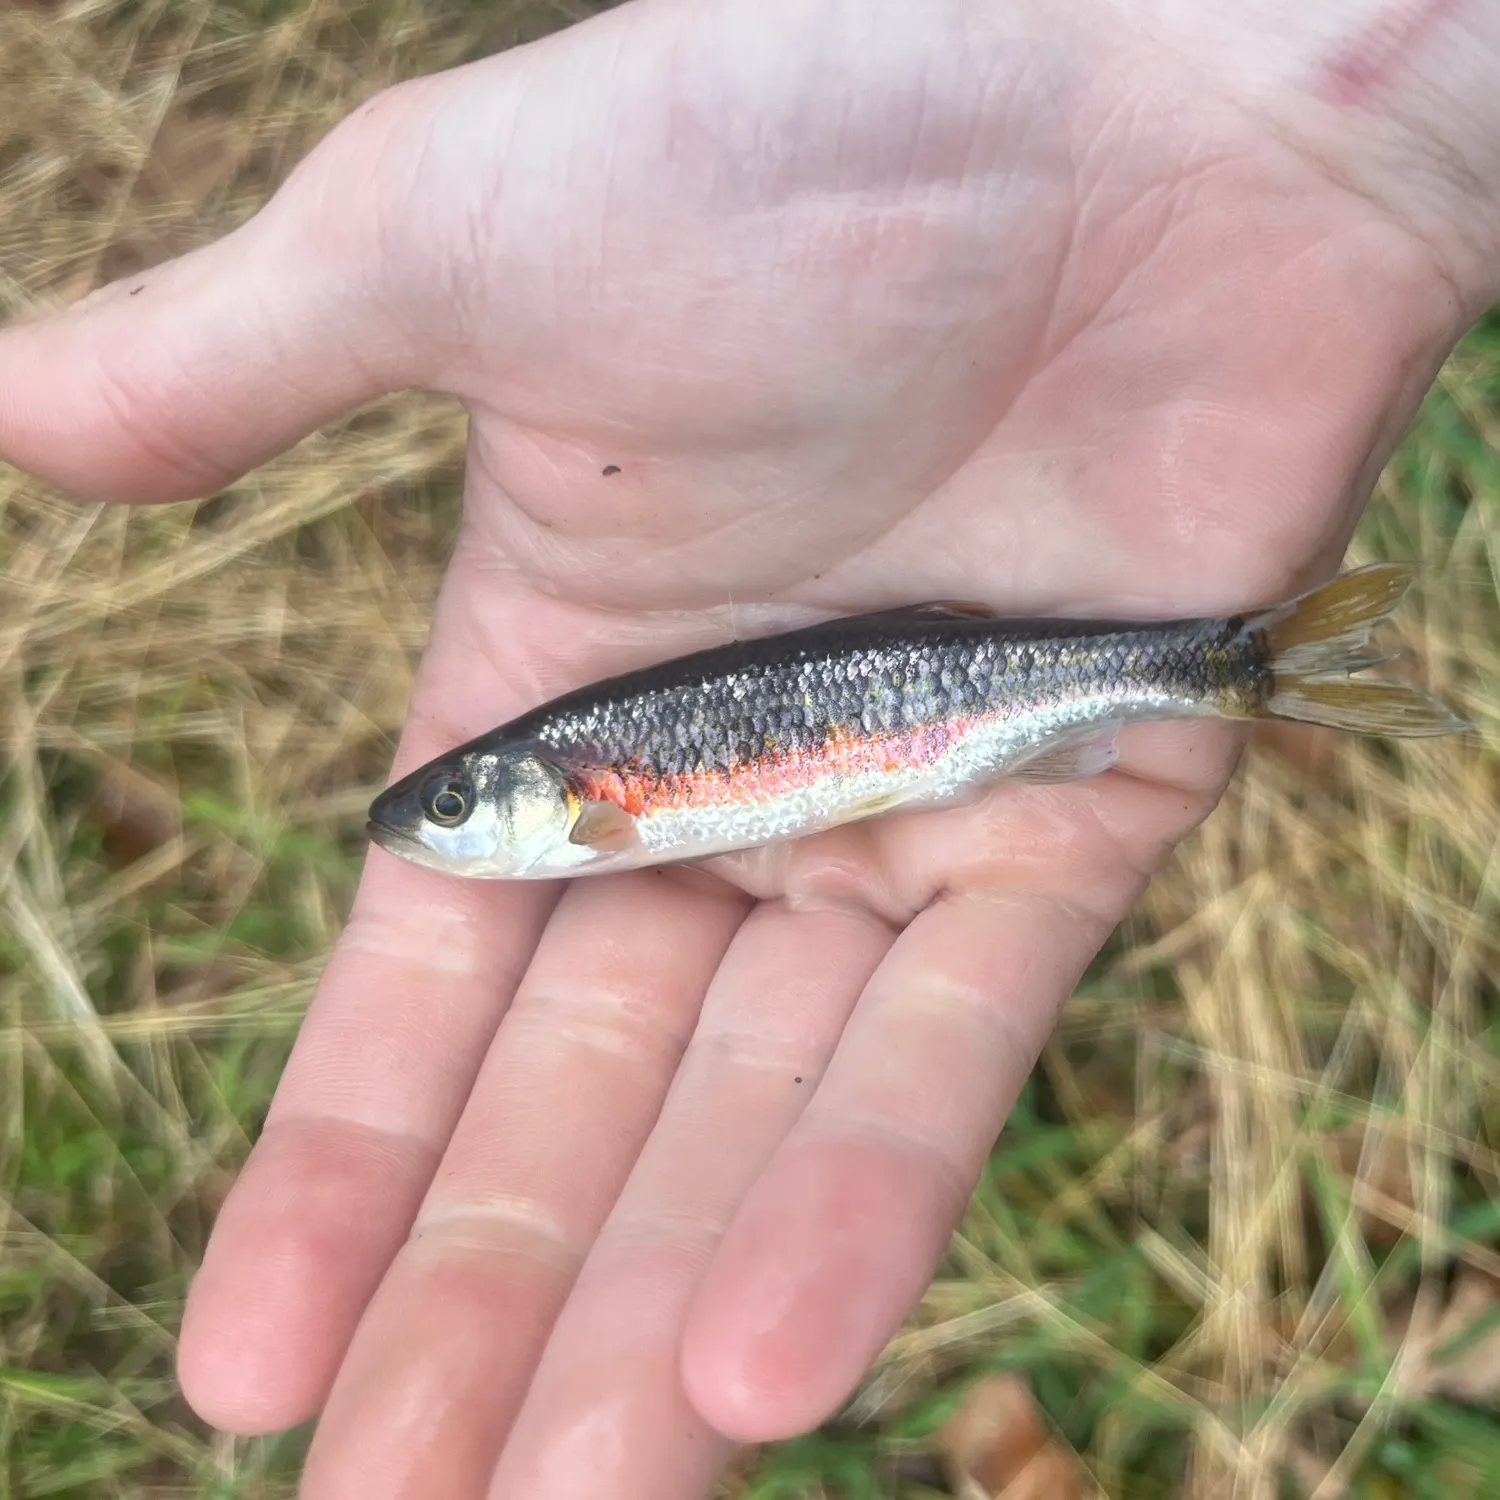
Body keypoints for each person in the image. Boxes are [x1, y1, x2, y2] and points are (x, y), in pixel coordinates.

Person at [3, 1, 1496, 1495]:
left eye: (457, 805)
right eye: (449, 805)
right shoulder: (585, 773)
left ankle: (1236, 664)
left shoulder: (598, 784)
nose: (439, 822)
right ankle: (1241, 665)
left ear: (534, 791)